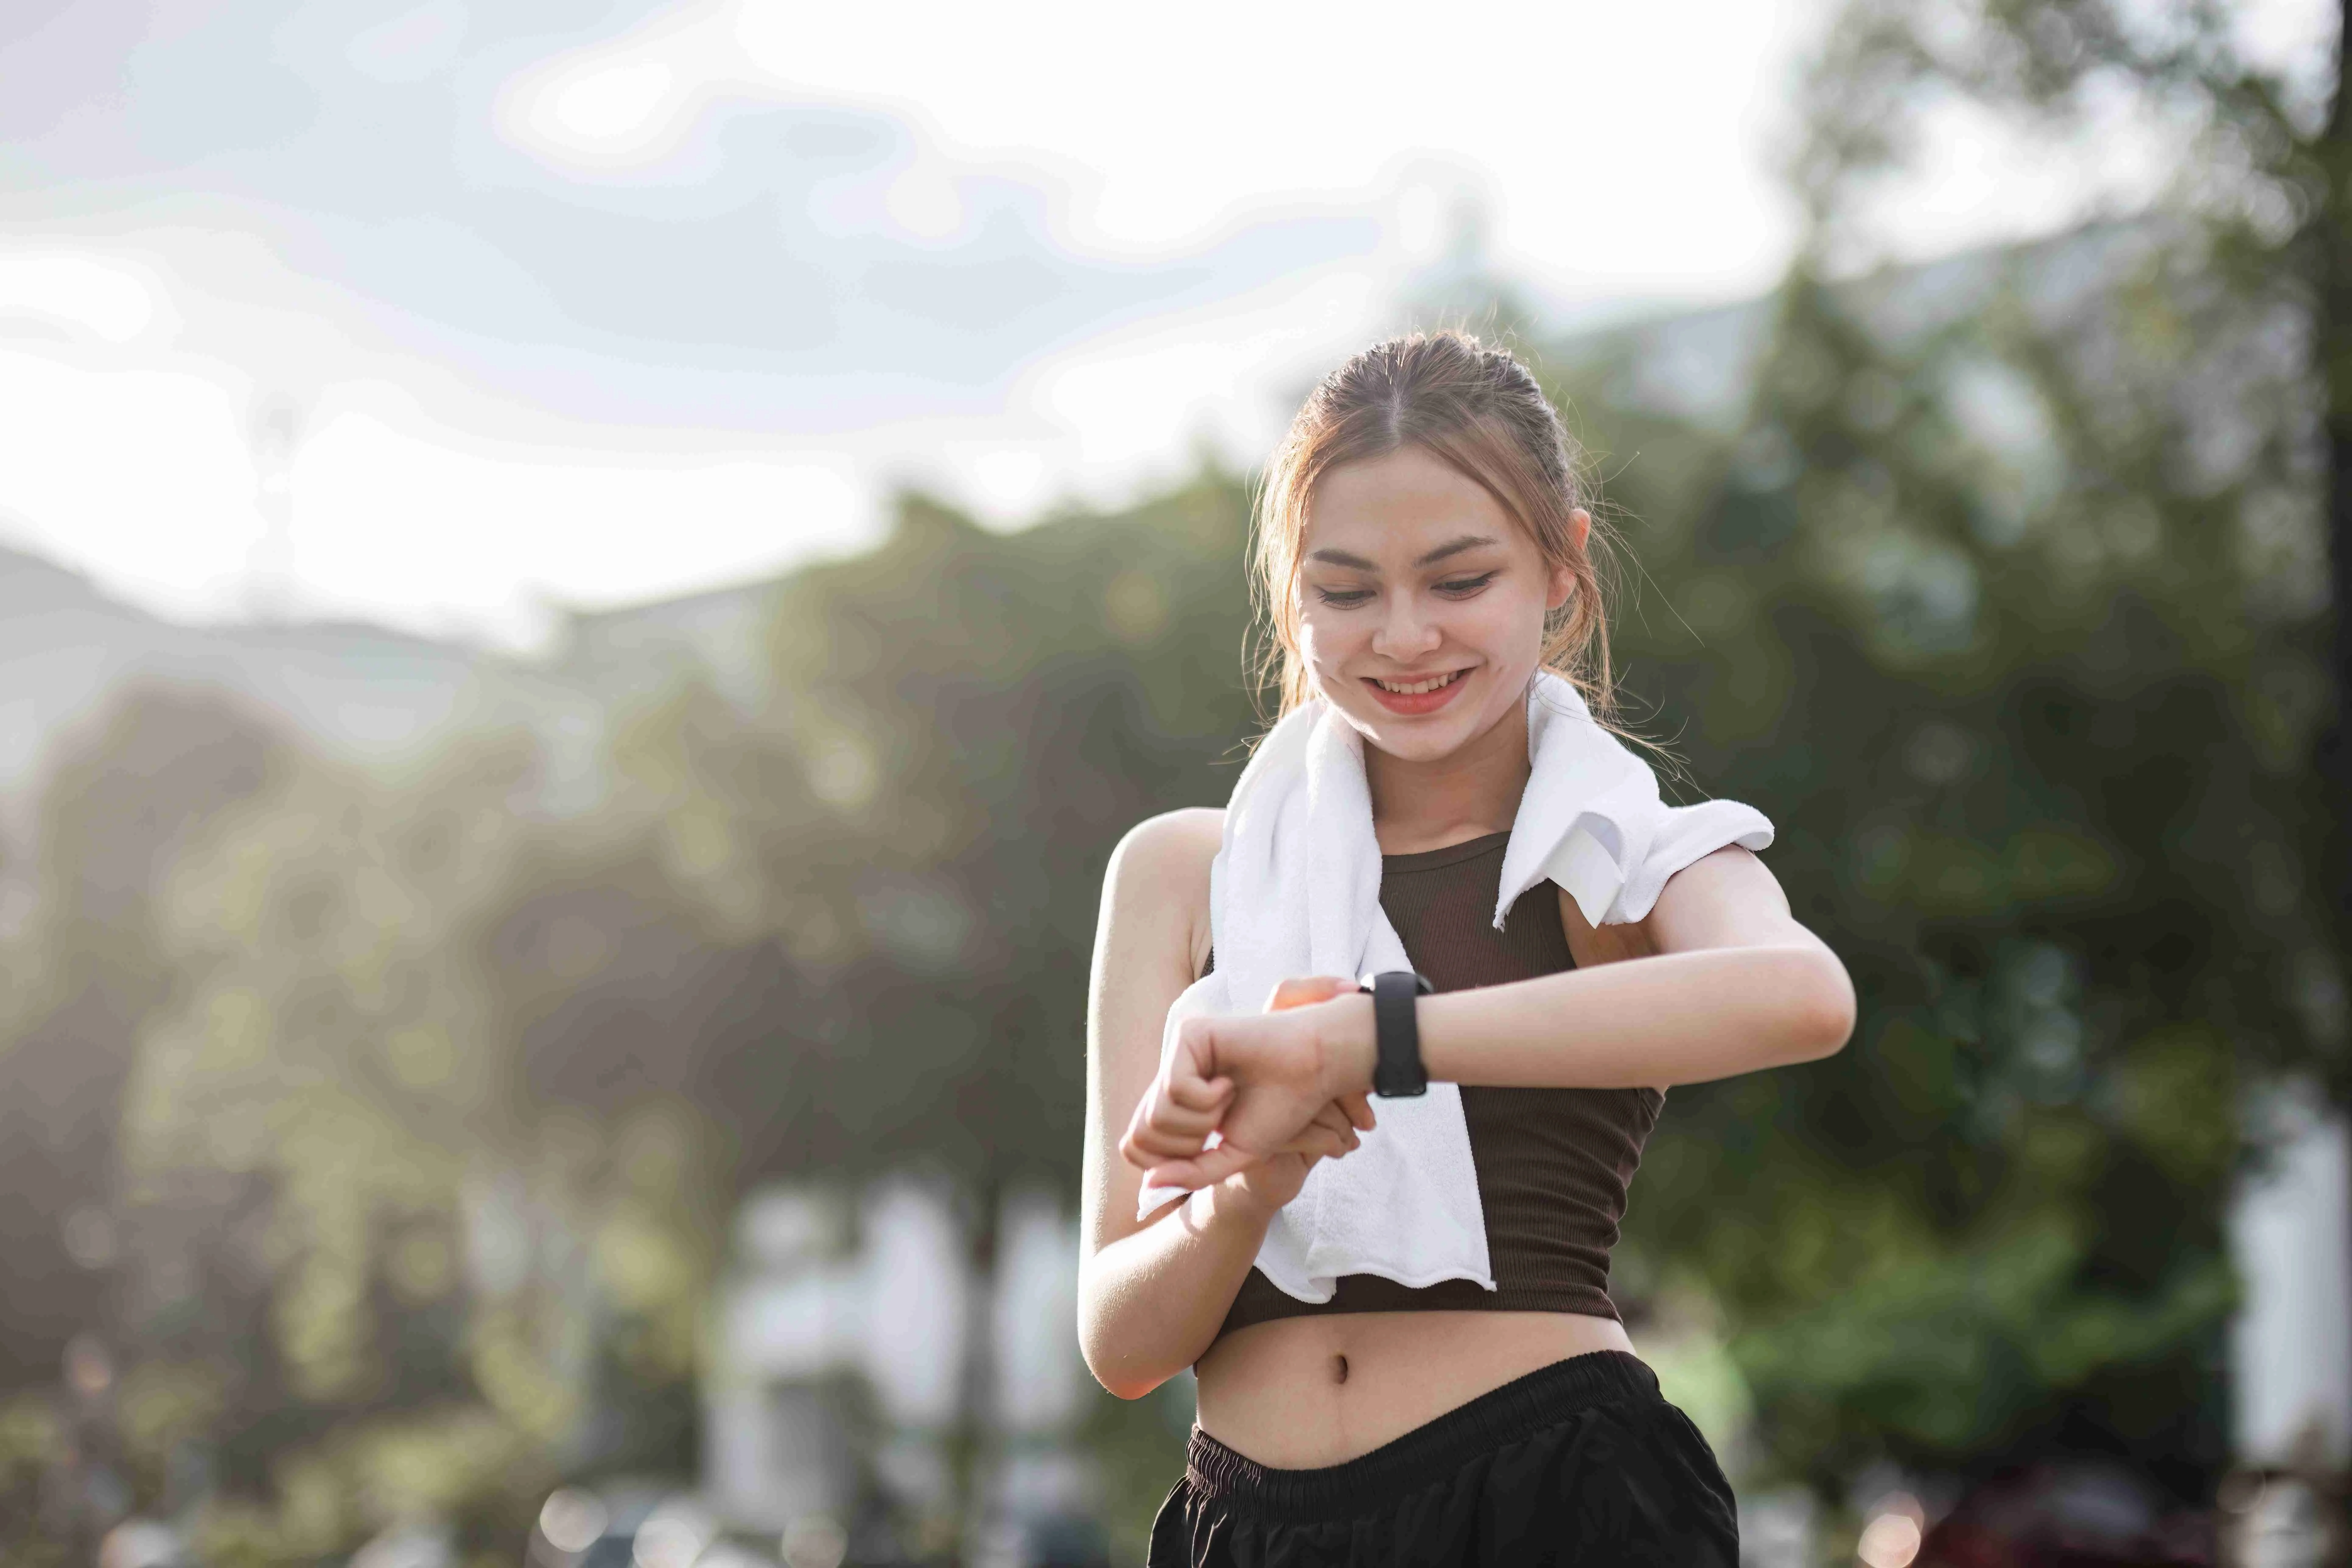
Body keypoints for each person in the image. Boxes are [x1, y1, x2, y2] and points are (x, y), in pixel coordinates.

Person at [1076, 331, 1857, 1566]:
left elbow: (1802, 995)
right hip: (1250, 1527)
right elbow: (1122, 1344)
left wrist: (1370, 1037)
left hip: (1556, 1499)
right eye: (1346, 591)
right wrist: (1254, 1177)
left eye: (1458, 579)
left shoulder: (1615, 851)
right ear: (1289, 595)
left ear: (1561, 568)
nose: (1404, 636)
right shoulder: (1183, 872)